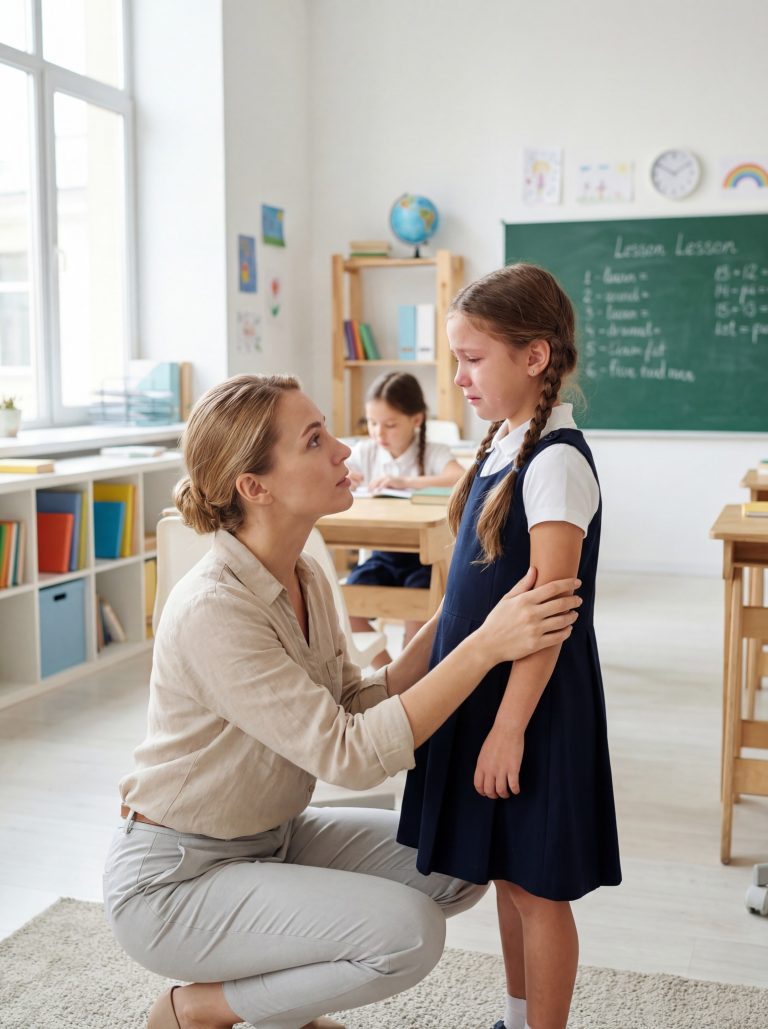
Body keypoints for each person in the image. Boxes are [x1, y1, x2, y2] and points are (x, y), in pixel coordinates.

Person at [102, 373, 583, 1029]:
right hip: (176, 880)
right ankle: (195, 1009)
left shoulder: (301, 573)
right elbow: (349, 755)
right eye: (314, 440)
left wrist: (458, 611)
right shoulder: (214, 610)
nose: (343, 450)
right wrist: (483, 647)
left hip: (270, 839)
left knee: (459, 857)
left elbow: (353, 700)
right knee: (408, 932)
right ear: (255, 486)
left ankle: (281, 1006)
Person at [397, 265, 622, 1029]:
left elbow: (551, 615)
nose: (458, 376)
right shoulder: (501, 442)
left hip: (531, 707)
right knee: (505, 874)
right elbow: (470, 589)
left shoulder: (555, 461)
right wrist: (409, 668)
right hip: (484, 695)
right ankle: (516, 1015)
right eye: (455, 358)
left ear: (534, 356)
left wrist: (508, 727)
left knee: (537, 888)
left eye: (472, 358)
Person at [346, 371, 464, 667]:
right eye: (372, 423)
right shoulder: (366, 452)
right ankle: (388, 675)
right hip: (382, 556)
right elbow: (332, 473)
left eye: (390, 425)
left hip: (423, 559)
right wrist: (343, 478)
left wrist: (407, 482)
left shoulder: (433, 453)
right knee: (344, 607)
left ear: (416, 419)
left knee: (416, 633)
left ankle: (407, 676)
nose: (379, 433)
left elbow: (460, 478)